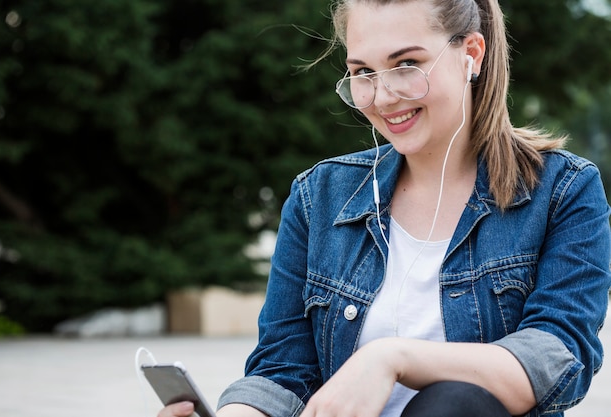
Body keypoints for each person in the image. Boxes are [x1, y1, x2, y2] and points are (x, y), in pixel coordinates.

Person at [160, 0, 611, 416]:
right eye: (363, 72)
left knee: (454, 400)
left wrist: (392, 358)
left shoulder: (563, 190)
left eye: (406, 65)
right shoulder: (319, 197)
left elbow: (556, 358)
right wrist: (237, 413)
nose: (382, 97)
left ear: (471, 52)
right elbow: (282, 373)